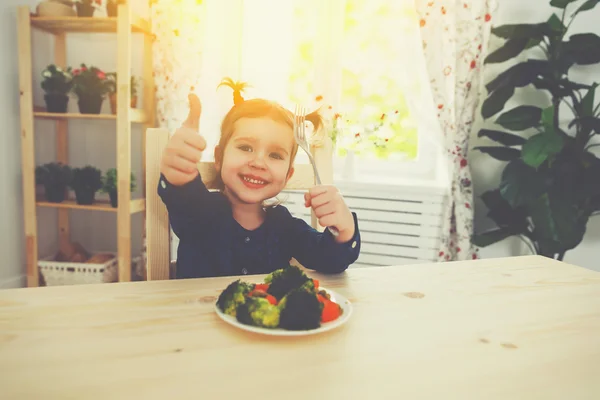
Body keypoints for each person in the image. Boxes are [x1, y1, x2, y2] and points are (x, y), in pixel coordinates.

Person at [158, 82, 361, 278]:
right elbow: (184, 200)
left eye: (275, 155)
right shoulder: (200, 212)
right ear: (219, 158)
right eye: (246, 148)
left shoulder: (284, 225)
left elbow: (329, 259)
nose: (258, 162)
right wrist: (179, 175)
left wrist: (344, 229)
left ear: (287, 176)